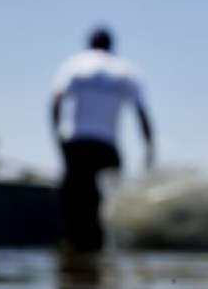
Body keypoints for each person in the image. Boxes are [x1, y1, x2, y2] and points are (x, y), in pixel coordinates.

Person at [50, 27, 155, 251]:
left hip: (77, 143)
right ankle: (102, 256)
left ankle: (75, 253)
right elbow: (141, 113)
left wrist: (57, 137)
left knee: (74, 205)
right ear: (111, 46)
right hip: (106, 146)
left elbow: (56, 102)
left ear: (89, 43)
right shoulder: (124, 71)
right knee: (107, 203)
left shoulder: (75, 65)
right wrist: (149, 147)